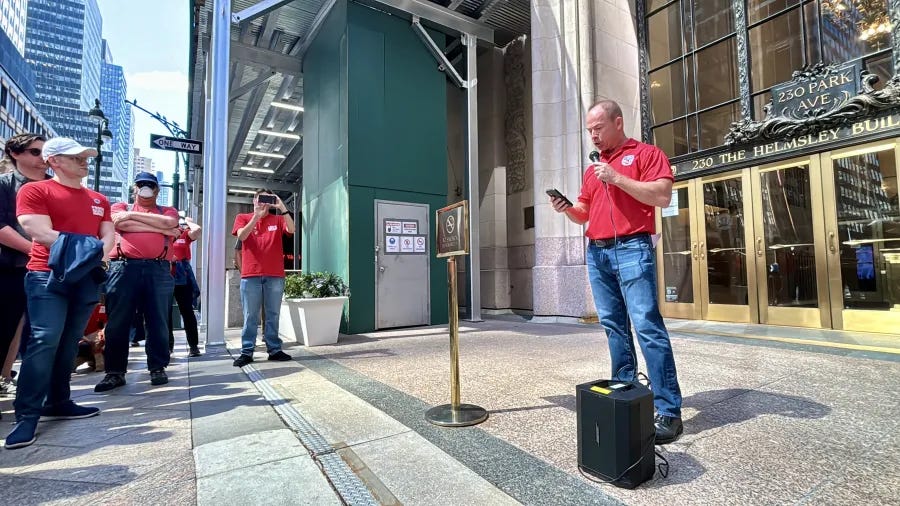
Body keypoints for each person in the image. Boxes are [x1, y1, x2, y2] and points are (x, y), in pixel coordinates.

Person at [549, 100, 684, 444]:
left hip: (632, 248)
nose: (592, 135)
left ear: (618, 122)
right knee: (613, 327)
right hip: (598, 252)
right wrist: (567, 208)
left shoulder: (646, 154)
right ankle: (627, 391)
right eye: (589, 130)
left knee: (646, 325)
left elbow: (663, 196)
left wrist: (617, 178)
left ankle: (669, 410)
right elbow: (584, 212)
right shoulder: (593, 169)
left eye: (598, 128)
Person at [5, 137, 115, 449]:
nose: (84, 161)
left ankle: (59, 400)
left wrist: (95, 253)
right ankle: (27, 415)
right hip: (46, 276)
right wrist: (90, 250)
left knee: (69, 341)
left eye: (85, 156)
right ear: (54, 161)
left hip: (85, 278)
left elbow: (108, 234)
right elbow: (37, 230)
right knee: (45, 340)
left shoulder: (98, 198)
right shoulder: (36, 190)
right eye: (75, 157)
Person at [94, 172, 179, 392]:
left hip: (158, 269)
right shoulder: (119, 207)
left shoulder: (167, 210)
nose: (145, 188)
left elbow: (171, 222)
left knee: (158, 321)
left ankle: (157, 367)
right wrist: (162, 229)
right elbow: (119, 223)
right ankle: (114, 372)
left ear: (157, 189)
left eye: (150, 185)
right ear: (134, 188)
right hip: (123, 267)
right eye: (141, 185)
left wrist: (134, 220)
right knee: (118, 322)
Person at [0, 134, 49, 402]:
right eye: (35, 152)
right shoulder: (4, 185)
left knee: (41, 334)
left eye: (45, 152)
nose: (42, 158)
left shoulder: (56, 187)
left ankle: (41, 394)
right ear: (15, 153)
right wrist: (34, 250)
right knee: (5, 328)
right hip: (11, 268)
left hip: (50, 271)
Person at [231, 190, 294, 367]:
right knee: (250, 315)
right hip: (250, 274)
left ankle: (274, 349)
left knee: (273, 314)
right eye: (260, 199)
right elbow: (242, 236)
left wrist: (282, 208)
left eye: (268, 199)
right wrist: (256, 217)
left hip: (275, 275)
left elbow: (292, 229)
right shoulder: (243, 217)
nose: (263, 202)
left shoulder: (278, 219)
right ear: (254, 200)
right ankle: (247, 351)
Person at [169, 215, 202, 357]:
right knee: (164, 313)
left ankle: (193, 346)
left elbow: (197, 230)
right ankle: (168, 347)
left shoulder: (184, 233)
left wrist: (189, 221)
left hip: (183, 275)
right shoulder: (161, 233)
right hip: (164, 274)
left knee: (187, 311)